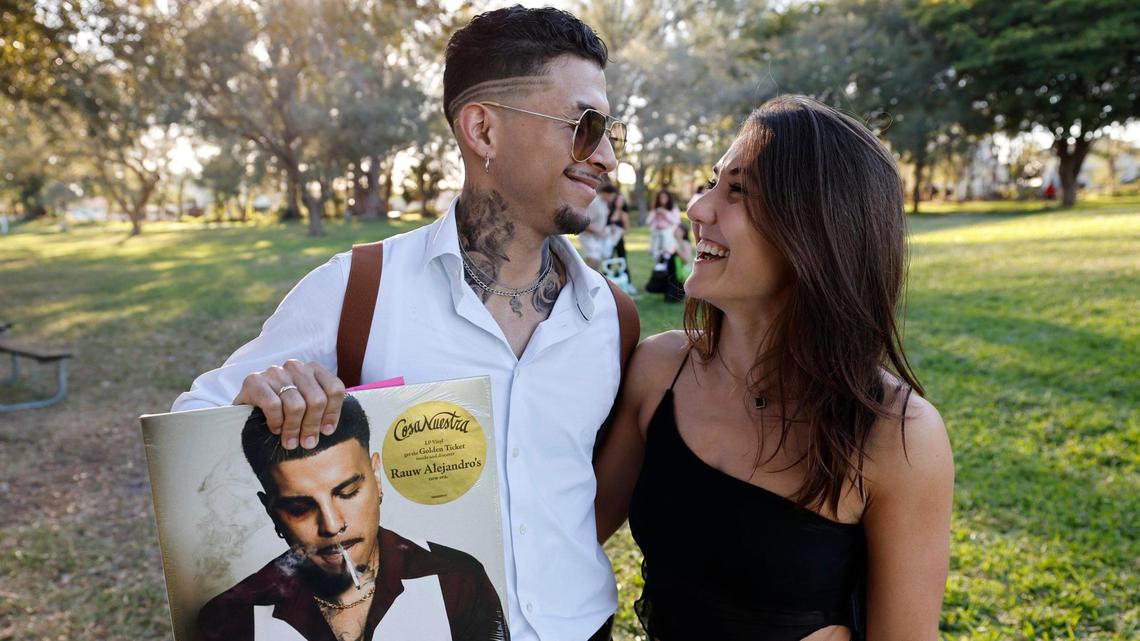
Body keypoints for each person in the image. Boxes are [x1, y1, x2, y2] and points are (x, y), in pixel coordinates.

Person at [174, 7, 633, 641]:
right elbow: (189, 425)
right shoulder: (358, 289)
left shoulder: (615, 316)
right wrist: (258, 403)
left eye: (614, 134)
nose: (606, 157)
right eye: (586, 127)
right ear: (482, 129)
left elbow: (592, 488)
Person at [594, 96, 954, 641]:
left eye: (737, 191)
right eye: (713, 182)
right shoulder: (660, 369)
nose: (698, 208)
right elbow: (574, 529)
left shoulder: (897, 434)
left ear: (818, 229)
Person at [198, 395, 507, 641]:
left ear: (376, 477)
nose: (332, 526)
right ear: (272, 511)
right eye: (300, 508)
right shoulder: (230, 616)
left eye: (347, 492)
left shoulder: (457, 578)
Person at [604, 187, 632, 285]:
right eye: (618, 200)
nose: (619, 202)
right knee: (607, 260)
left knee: (622, 260)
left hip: (619, 240)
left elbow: (627, 230)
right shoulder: (609, 211)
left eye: (622, 200)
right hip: (608, 240)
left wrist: (618, 230)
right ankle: (604, 281)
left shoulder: (624, 214)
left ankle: (628, 282)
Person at [644, 189, 680, 259]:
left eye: (665, 197)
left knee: (667, 253)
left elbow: (676, 221)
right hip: (656, 232)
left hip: (668, 232)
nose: (663, 199)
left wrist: (665, 213)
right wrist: (654, 213)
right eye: (661, 197)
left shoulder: (673, 208)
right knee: (656, 253)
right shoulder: (655, 208)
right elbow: (648, 221)